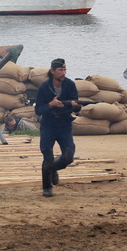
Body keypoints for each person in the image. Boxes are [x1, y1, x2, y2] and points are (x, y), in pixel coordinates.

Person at [34, 58, 79, 198]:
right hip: (48, 125)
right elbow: (38, 110)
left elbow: (76, 106)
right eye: (60, 70)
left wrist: (74, 106)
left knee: (69, 155)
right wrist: (51, 105)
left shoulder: (70, 85)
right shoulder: (44, 87)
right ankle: (46, 187)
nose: (63, 72)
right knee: (47, 156)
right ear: (53, 71)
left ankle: (53, 169)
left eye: (64, 70)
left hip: (64, 125)